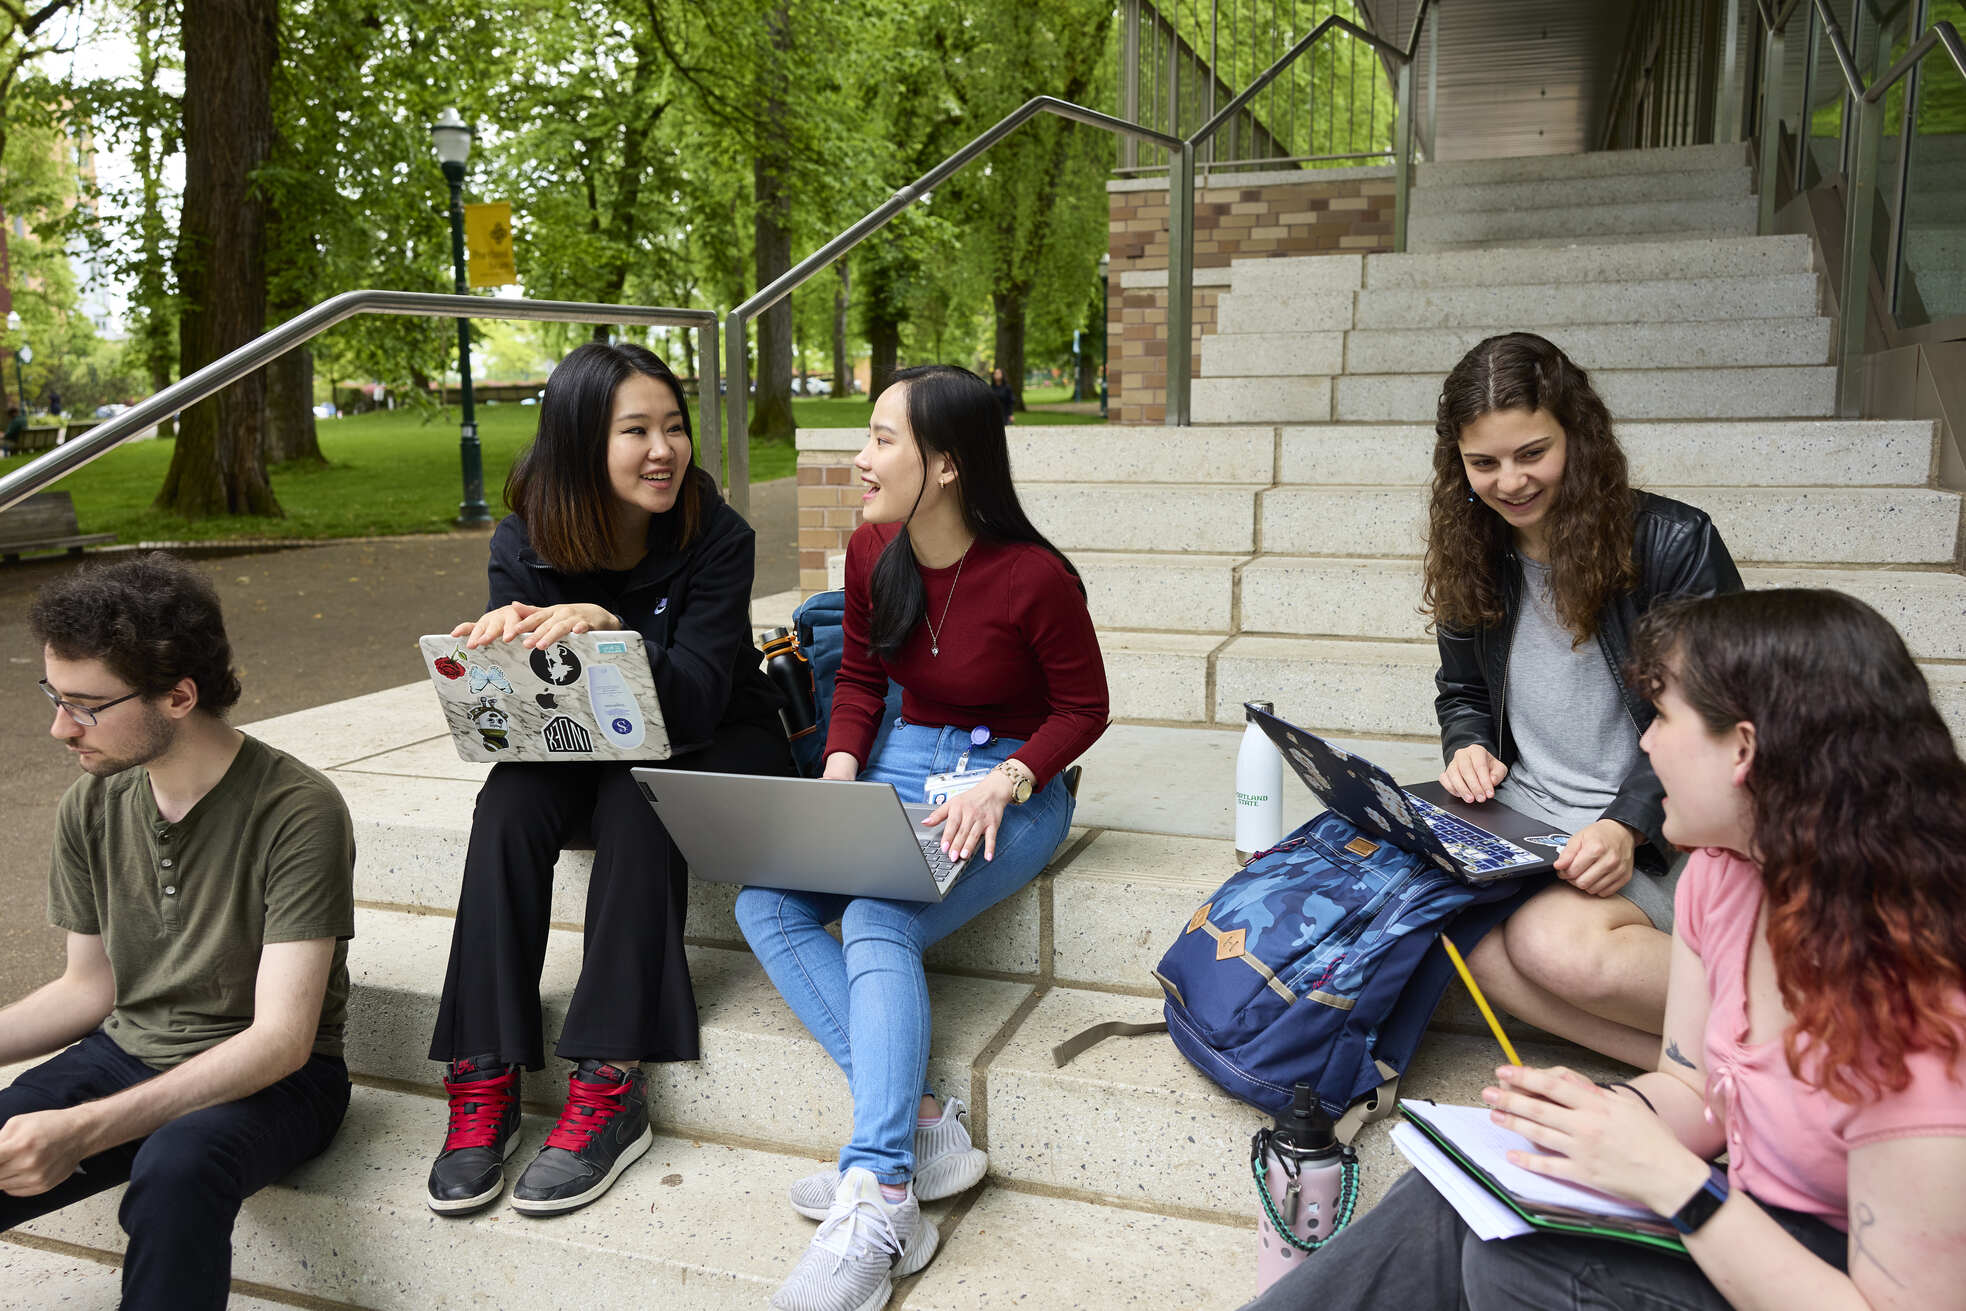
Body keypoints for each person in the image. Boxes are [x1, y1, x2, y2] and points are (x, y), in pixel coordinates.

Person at [1242, 587, 1966, 1310]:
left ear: (1742, 748)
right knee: (1458, 1191)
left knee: (1517, 1269)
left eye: (1664, 717)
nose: (1644, 744)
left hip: (1828, 1271)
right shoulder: (1723, 877)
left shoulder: (1926, 1024)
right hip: (1744, 1214)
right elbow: (1691, 1088)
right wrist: (1581, 1119)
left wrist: (1673, 1181)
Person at [735, 365, 1107, 1311]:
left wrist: (1012, 778)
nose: (861, 458)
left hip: (1011, 783)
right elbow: (859, 680)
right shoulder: (872, 552)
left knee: (874, 916)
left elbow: (1085, 707)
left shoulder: (1035, 576)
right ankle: (922, 1125)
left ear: (945, 464)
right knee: (765, 901)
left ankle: (881, 1191)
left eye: (882, 439)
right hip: (898, 761)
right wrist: (837, 780)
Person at [424, 342, 792, 1217]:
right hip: (584, 741)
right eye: (636, 430)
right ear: (584, 442)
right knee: (509, 802)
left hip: (719, 738)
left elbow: (701, 698)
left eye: (674, 427)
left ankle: (612, 1083)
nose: (664, 449)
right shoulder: (524, 539)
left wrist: (612, 631)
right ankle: (485, 1072)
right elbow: (521, 719)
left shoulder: (717, 534)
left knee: (639, 792)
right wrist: (495, 654)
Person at [1, 554, 356, 1311]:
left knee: (176, 1166)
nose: (59, 727)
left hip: (278, 1081)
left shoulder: (297, 809)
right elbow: (87, 989)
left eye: (85, 705)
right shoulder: (91, 804)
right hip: (127, 1048)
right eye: (54, 696)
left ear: (178, 695)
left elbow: (282, 1039)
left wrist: (83, 1129)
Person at [1426, 332, 1740, 1068]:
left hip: (1667, 825)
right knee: (1469, 944)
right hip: (1535, 819)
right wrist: (1467, 742)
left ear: (1580, 436)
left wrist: (1628, 824)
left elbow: (1714, 714)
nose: (1510, 482)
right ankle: (1714, 1080)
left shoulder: (1673, 541)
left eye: (1533, 452)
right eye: (1484, 463)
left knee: (1549, 945)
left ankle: (1795, 1023)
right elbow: (1463, 688)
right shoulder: (1474, 545)